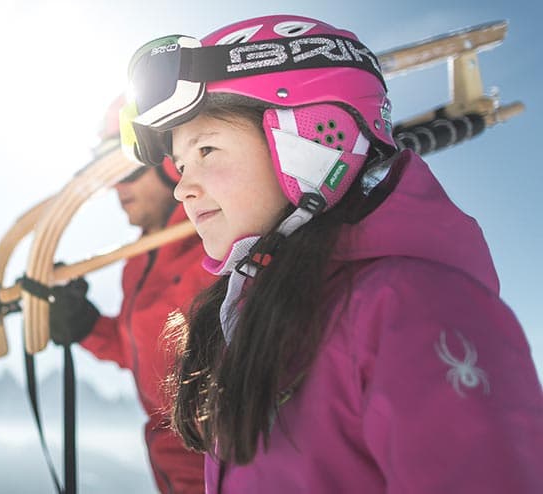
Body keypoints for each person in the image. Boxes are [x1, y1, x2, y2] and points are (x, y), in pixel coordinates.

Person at [120, 14, 543, 493]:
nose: (184, 190)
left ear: (312, 139)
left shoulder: (415, 311)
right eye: (179, 166)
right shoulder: (254, 316)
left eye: (207, 151)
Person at [47, 97, 216, 493]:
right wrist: (87, 327)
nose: (116, 189)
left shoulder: (216, 239)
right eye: (109, 177)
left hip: (228, 460)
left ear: (171, 163)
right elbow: (148, 350)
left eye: (127, 171)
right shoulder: (135, 263)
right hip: (173, 470)